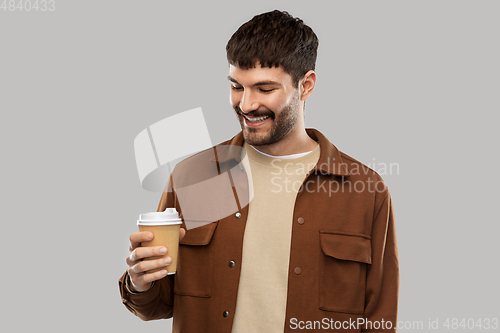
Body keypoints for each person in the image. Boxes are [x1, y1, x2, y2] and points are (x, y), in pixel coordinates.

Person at [119, 10, 399, 333]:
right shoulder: (194, 178)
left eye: (264, 89)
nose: (246, 104)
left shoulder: (365, 191)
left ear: (305, 86)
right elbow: (158, 302)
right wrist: (140, 283)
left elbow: (381, 320)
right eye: (237, 86)